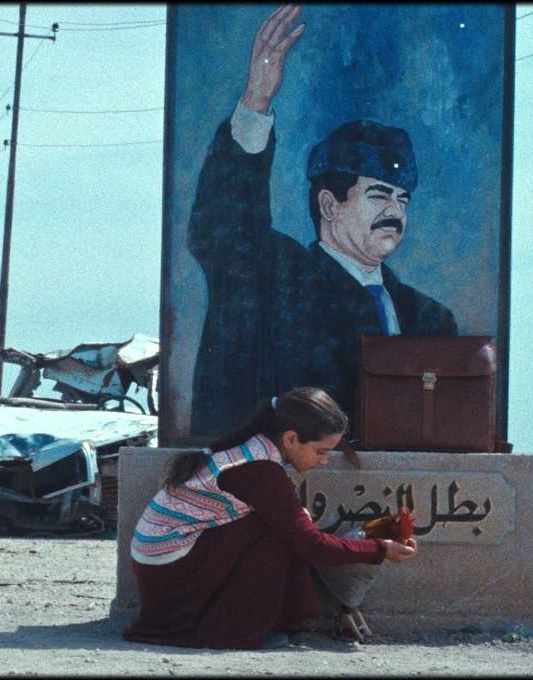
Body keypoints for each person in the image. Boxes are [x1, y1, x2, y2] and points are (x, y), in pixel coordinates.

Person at [187, 4, 457, 439]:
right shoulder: (278, 278)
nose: (396, 211)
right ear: (330, 205)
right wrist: (256, 101)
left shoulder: (429, 318)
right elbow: (225, 224)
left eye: (403, 198)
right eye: (379, 195)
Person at [123, 386, 417, 650]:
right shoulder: (259, 470)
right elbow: (313, 546)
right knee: (278, 532)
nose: (324, 461)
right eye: (320, 451)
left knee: (290, 522)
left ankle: (262, 623)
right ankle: (229, 633)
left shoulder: (259, 453)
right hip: (170, 574)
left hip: (170, 564)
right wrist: (381, 550)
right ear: (291, 438)